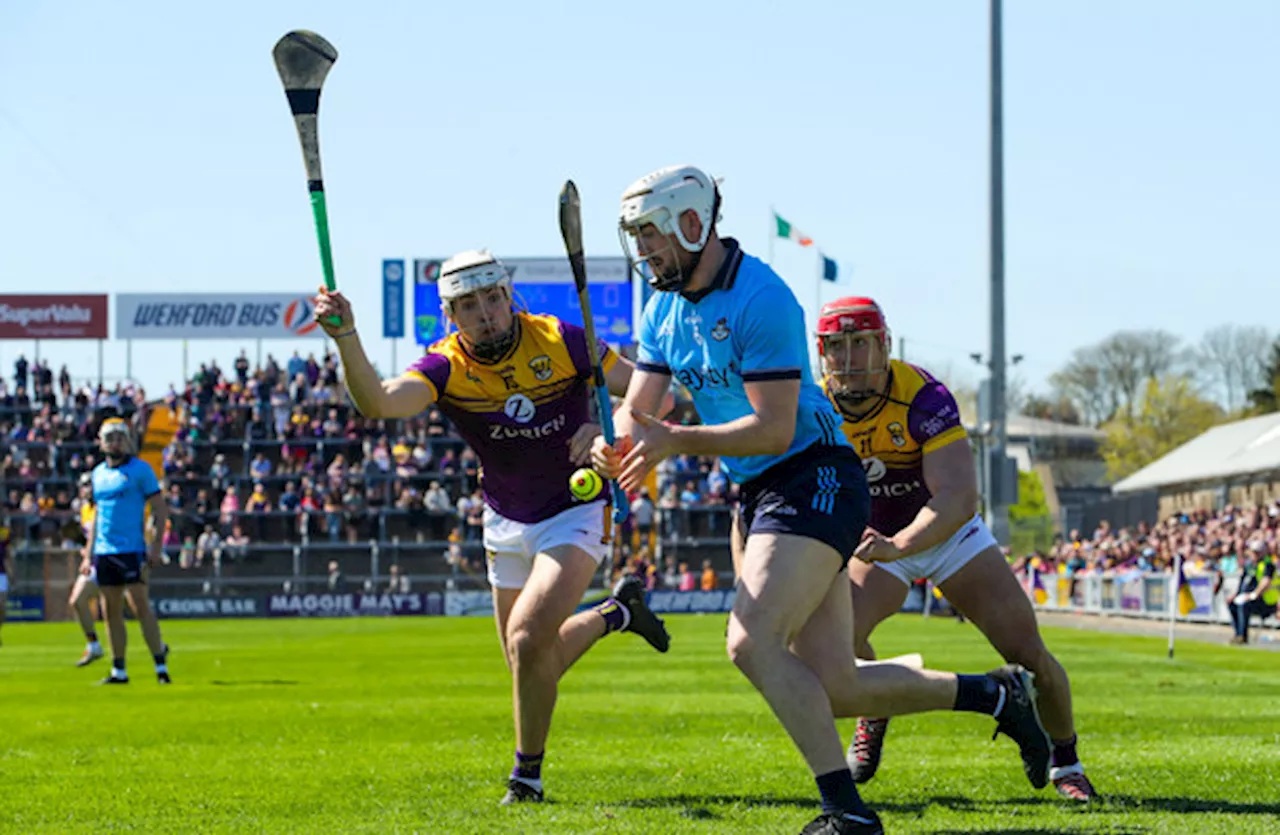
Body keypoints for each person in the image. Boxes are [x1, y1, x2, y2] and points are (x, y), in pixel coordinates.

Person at [595, 165, 1051, 835]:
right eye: (636, 238)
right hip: (756, 490)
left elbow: (773, 427)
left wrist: (676, 439)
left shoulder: (763, 298)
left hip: (814, 475)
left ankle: (846, 809)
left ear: (693, 224)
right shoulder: (662, 308)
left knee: (750, 641)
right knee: (836, 682)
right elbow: (640, 407)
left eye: (652, 235)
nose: (645, 252)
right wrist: (612, 438)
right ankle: (995, 692)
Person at [313, 248, 673, 806]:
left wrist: (608, 431)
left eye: (492, 298)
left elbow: (652, 393)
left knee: (528, 641)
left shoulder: (561, 339)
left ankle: (525, 778)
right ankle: (618, 613)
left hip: (577, 507)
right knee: (529, 658)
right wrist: (348, 338)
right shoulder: (444, 365)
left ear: (509, 296)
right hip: (504, 515)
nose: (486, 313)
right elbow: (379, 404)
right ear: (450, 316)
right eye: (469, 305)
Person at [813, 296, 1099, 803]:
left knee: (1028, 654)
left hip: (947, 535)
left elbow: (959, 498)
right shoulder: (813, 407)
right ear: (822, 355)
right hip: (872, 541)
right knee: (835, 645)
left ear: (884, 346)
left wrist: (899, 544)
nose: (850, 359)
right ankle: (873, 707)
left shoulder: (923, 395)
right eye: (838, 347)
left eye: (861, 343)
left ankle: (1067, 760)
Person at [84, 418, 171, 685]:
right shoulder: (97, 474)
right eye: (109, 438)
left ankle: (160, 667)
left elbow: (159, 510)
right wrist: (89, 553)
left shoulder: (140, 470)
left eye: (119, 437)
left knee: (139, 606)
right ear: (101, 443)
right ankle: (118, 670)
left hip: (131, 549)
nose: (115, 442)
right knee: (109, 611)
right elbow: (98, 517)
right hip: (104, 551)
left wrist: (156, 546)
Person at [70, 472, 106, 666]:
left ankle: (158, 645)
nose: (87, 489)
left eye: (90, 485)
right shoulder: (85, 509)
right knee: (77, 600)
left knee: (132, 605)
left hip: (108, 560)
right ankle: (93, 644)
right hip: (93, 563)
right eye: (84, 485)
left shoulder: (103, 506)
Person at [1228, 542, 1276, 644]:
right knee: (1232, 604)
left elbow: (1265, 582)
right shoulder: (1249, 565)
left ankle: (1242, 636)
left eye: (1258, 553)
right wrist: (1236, 595)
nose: (1255, 555)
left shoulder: (1267, 565)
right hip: (1249, 597)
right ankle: (1238, 633)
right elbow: (1243, 582)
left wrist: (1253, 595)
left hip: (1265, 600)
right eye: (1254, 552)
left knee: (1244, 605)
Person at [0, 517, 10, 647]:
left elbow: (8, 554)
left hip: (1, 573)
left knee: (2, 607)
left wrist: (12, 573)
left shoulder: (3, 534)